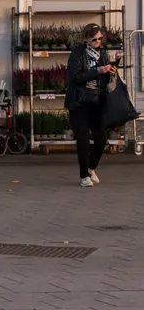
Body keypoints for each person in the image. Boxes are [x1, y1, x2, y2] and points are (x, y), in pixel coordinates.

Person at [66, 23, 116, 188]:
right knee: (83, 140)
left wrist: (111, 73)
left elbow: (106, 80)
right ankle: (83, 176)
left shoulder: (103, 53)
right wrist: (98, 71)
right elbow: (76, 77)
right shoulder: (77, 53)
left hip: (97, 101)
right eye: (94, 39)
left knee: (101, 139)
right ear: (86, 39)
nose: (98, 42)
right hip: (79, 102)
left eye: (100, 38)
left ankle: (91, 167)